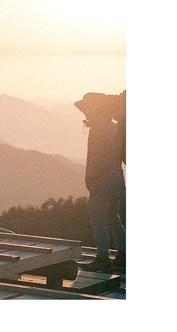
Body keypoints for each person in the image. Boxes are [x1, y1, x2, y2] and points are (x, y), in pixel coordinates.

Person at [75, 91, 126, 272]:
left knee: (98, 220)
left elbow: (97, 159)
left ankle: (102, 258)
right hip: (116, 179)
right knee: (113, 218)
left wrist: (91, 182)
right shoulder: (112, 127)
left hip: (101, 181)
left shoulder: (99, 129)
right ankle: (123, 255)